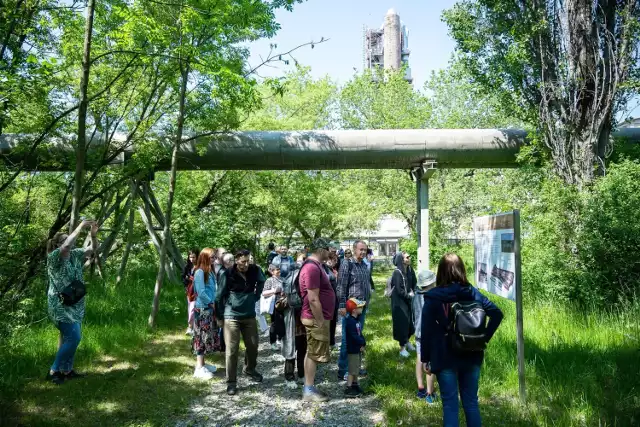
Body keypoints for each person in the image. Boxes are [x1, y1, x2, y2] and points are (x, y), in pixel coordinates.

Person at [421, 253, 504, 427]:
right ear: (462, 270)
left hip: (444, 357)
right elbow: (497, 313)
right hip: (472, 353)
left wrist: (425, 359)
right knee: (471, 403)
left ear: (441, 272)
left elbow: (426, 330)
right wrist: (484, 338)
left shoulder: (433, 296)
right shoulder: (473, 292)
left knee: (450, 406)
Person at [46, 219, 99, 385]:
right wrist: (81, 226)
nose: (70, 242)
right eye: (65, 240)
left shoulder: (75, 255)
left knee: (68, 337)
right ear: (58, 245)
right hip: (59, 304)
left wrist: (93, 235)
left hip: (75, 303)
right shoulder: (54, 257)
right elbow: (67, 246)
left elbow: (92, 249)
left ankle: (67, 370)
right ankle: (54, 370)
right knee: (74, 337)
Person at [215, 249, 265, 395]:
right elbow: (219, 297)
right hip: (231, 316)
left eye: (248, 260)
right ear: (236, 260)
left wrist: (256, 296)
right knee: (232, 350)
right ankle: (231, 382)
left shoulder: (255, 270)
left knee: (253, 345)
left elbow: (262, 281)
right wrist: (219, 317)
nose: (246, 264)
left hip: (249, 315)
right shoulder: (227, 273)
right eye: (243, 261)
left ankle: (249, 369)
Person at [299, 238, 335, 402]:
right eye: (328, 249)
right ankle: (308, 390)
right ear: (321, 250)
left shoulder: (316, 266)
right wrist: (320, 321)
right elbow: (313, 298)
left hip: (316, 318)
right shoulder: (312, 268)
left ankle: (309, 387)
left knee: (311, 351)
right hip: (315, 318)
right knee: (314, 353)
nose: (331, 252)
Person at [336, 240, 374, 379]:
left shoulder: (364, 265)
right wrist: (341, 306)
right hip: (350, 308)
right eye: (361, 249)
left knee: (357, 338)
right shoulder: (347, 263)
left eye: (365, 249)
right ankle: (343, 370)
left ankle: (354, 368)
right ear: (354, 249)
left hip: (361, 308)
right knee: (347, 339)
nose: (363, 252)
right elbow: (341, 286)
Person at [192, 248, 219, 380]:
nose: (214, 260)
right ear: (205, 257)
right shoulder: (199, 272)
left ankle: (203, 364)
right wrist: (211, 303)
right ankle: (198, 368)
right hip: (202, 309)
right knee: (200, 338)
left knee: (207, 337)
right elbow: (201, 292)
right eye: (212, 257)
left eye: (215, 257)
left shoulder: (210, 272)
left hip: (209, 309)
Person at [281, 253, 307, 389]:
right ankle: (291, 376)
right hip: (294, 316)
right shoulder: (292, 276)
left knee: (301, 346)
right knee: (293, 346)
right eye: (299, 260)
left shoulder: (296, 275)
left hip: (301, 315)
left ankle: (301, 375)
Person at [413, 268, 438, 404]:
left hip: (418, 332)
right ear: (431, 283)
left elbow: (414, 314)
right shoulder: (432, 297)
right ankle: (430, 393)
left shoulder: (416, 296)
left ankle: (420, 387)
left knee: (419, 358)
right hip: (429, 333)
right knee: (430, 362)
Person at [391, 252, 417, 357]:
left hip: (408, 300)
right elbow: (399, 290)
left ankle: (407, 341)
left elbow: (414, 283)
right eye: (407, 257)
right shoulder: (397, 273)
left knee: (410, 322)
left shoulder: (410, 269)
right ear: (401, 260)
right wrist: (409, 296)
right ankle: (402, 349)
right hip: (399, 302)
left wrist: (414, 293)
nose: (409, 258)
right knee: (402, 323)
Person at [344, 297, 366, 398]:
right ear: (354, 310)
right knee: (352, 370)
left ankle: (355, 385)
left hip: (357, 349)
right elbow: (354, 336)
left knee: (356, 369)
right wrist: (361, 342)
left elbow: (359, 333)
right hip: (352, 350)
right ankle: (348, 388)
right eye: (360, 307)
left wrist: (362, 343)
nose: (362, 308)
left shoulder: (355, 321)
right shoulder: (350, 322)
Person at [263, 264, 285, 350]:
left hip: (283, 304)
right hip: (274, 305)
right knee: (274, 323)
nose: (279, 271)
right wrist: (274, 291)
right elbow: (264, 293)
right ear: (272, 271)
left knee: (283, 322)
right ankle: (273, 342)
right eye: (277, 270)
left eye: (279, 269)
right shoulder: (269, 280)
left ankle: (281, 339)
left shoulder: (282, 279)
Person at [324, 252, 340, 349]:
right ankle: (327, 344)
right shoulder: (323, 268)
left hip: (334, 299)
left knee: (333, 321)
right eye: (334, 260)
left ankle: (332, 342)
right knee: (328, 322)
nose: (335, 262)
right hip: (327, 301)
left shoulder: (331, 269)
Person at [183, 248, 200, 336]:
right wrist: (187, 281)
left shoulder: (201, 266)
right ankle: (190, 327)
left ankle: (195, 327)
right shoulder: (188, 266)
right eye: (190, 257)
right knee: (191, 308)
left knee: (196, 309)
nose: (192, 259)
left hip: (199, 291)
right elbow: (183, 277)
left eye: (194, 257)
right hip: (190, 291)